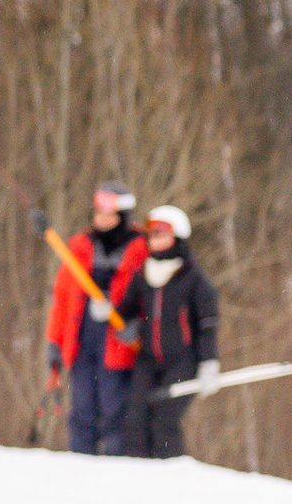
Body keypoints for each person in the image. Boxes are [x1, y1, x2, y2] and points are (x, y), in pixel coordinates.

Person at [110, 203, 220, 457]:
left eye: (162, 232)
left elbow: (208, 324)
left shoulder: (194, 278)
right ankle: (136, 476)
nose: (155, 238)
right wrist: (124, 324)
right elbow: (126, 310)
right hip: (148, 360)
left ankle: (170, 479)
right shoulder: (143, 274)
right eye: (152, 233)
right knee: (134, 422)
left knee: (164, 422)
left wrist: (209, 363)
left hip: (183, 361)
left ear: (177, 236)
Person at [45, 176, 142, 453]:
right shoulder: (79, 247)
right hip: (82, 340)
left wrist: (136, 325)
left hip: (118, 343)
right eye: (98, 212)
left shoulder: (140, 249)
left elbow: (147, 300)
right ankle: (80, 466)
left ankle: (115, 469)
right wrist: (55, 342)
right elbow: (62, 299)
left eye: (108, 214)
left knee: (115, 412)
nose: (101, 219)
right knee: (82, 412)